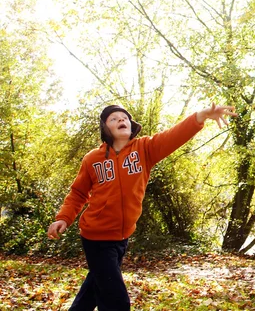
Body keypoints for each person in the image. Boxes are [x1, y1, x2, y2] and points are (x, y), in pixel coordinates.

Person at [47, 103, 237, 310]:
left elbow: (173, 136)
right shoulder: (92, 159)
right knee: (115, 300)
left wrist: (201, 116)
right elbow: (78, 193)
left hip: (121, 238)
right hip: (96, 237)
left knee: (95, 288)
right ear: (105, 128)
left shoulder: (145, 149)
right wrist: (63, 218)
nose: (121, 120)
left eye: (124, 118)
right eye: (114, 119)